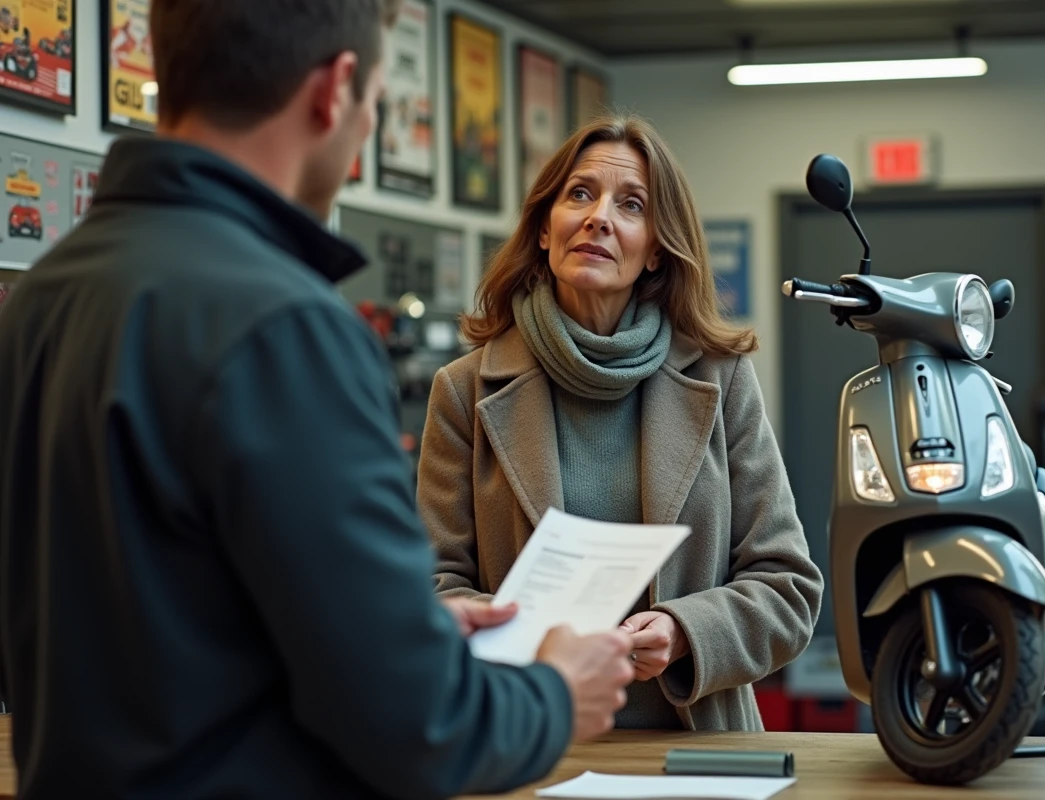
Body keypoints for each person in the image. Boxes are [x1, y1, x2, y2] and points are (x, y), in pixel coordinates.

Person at [0, 2, 636, 798]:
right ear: (336, 91)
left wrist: (395, 627)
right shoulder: (286, 327)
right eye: (376, 102)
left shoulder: (41, 299)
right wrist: (555, 694)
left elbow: (158, 614)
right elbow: (422, 728)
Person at [419, 114, 825, 731]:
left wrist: (686, 631)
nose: (599, 217)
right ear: (545, 229)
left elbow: (788, 588)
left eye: (630, 204)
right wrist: (536, 640)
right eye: (579, 194)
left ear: (656, 247)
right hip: (531, 741)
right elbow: (432, 590)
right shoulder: (463, 390)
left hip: (694, 749)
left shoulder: (721, 378)